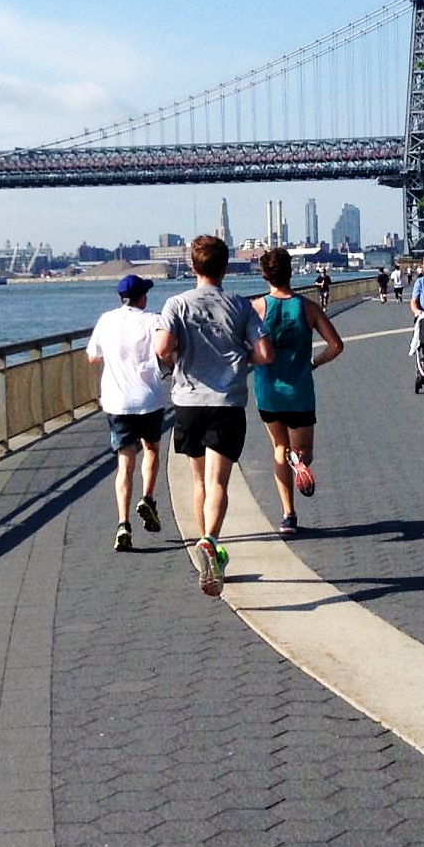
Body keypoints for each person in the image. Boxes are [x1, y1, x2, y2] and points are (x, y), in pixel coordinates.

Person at [155, 235, 271, 597]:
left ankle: (203, 546)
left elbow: (162, 348)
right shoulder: (239, 305)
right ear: (225, 268)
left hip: (188, 403)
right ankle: (211, 540)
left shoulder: (176, 304)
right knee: (219, 482)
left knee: (199, 482)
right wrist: (239, 362)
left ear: (193, 267)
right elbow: (265, 353)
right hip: (226, 402)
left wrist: (177, 359)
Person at [252, 248, 344, 536]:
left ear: (264, 275)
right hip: (300, 390)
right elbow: (336, 345)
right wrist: (314, 362)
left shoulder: (256, 308)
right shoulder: (308, 307)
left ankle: (288, 515)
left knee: (279, 448)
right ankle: (300, 462)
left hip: (267, 390)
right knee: (304, 451)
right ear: (290, 273)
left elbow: (243, 347)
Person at [85, 273, 170, 552]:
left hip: (117, 401)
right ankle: (147, 497)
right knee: (152, 449)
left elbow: (92, 356)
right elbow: (165, 350)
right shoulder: (153, 320)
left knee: (125, 464)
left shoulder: (106, 320)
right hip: (149, 399)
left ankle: (123, 524)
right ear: (142, 297)